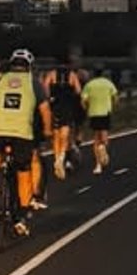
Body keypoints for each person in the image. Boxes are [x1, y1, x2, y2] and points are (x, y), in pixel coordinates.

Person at [0, 47, 50, 233]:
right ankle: (22, 217)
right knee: (23, 174)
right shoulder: (34, 83)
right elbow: (45, 110)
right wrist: (48, 130)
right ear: (29, 67)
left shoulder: (1, 81)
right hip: (22, 135)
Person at [46, 61, 85, 189]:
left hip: (54, 107)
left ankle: (57, 158)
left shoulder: (51, 74)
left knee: (55, 135)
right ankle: (62, 156)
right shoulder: (72, 75)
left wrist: (50, 99)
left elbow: (45, 89)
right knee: (65, 134)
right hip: (67, 107)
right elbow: (78, 91)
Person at [79, 65, 119, 179]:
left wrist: (86, 108)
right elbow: (115, 96)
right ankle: (103, 147)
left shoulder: (89, 85)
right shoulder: (108, 83)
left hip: (93, 112)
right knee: (104, 133)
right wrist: (113, 105)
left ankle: (98, 165)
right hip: (105, 112)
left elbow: (83, 100)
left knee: (96, 137)